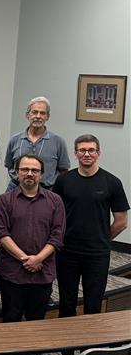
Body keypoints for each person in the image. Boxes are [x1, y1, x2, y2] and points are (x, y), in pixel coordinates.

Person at [53, 135, 128, 318]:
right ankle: (66, 347)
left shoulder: (112, 182)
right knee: (66, 303)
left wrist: (102, 238)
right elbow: (55, 215)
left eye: (91, 150)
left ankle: (89, 347)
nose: (87, 154)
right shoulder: (63, 181)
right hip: (67, 251)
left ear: (98, 153)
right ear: (75, 153)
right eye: (82, 150)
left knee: (93, 306)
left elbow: (121, 221)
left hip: (97, 254)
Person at [0, 154, 65, 322]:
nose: (30, 173)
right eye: (25, 169)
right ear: (17, 173)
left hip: (42, 272)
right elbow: (1, 234)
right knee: (11, 321)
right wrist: (26, 259)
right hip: (13, 273)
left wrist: (38, 258)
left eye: (35, 170)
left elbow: (57, 236)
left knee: (37, 322)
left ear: (41, 174)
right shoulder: (5, 200)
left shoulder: (55, 201)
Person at [4, 96, 69, 190]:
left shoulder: (58, 141)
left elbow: (64, 170)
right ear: (27, 115)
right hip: (16, 190)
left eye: (42, 113)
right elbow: (9, 165)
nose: (38, 116)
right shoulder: (15, 140)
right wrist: (18, 178)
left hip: (46, 192)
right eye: (34, 112)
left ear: (47, 117)